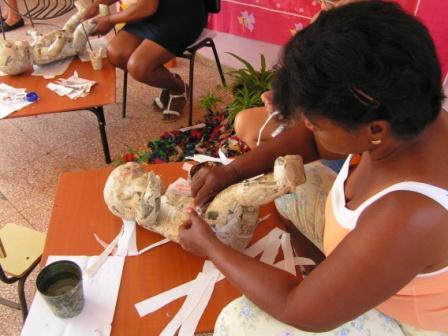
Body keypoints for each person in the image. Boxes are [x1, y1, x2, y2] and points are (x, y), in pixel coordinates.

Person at [180, 1, 448, 335]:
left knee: (239, 322)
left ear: (375, 130)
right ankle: (327, 279)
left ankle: (330, 290)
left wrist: (211, 248)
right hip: (381, 249)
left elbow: (297, 309)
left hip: (406, 321)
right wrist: (232, 172)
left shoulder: (410, 214)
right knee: (290, 182)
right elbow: (311, 143)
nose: (308, 128)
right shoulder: (406, 110)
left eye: (316, 123)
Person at [83, 0, 207, 121]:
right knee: (116, 53)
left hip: (181, 15)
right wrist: (96, 5)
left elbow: (147, 7)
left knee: (139, 67)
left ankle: (178, 88)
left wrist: (110, 20)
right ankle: (167, 79)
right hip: (151, 13)